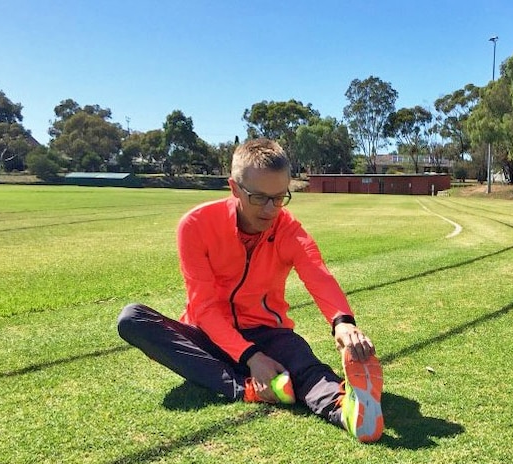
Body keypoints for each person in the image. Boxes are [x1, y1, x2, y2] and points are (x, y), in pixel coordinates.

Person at [117, 138, 384, 443]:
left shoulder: (288, 229)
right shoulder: (196, 225)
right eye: (259, 198)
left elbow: (318, 275)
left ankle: (348, 409)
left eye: (280, 197)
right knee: (132, 319)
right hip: (206, 335)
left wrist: (342, 321)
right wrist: (251, 357)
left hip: (268, 332)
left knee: (304, 366)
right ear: (234, 188)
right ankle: (247, 388)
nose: (271, 209)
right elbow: (203, 307)